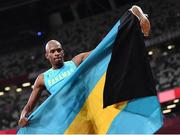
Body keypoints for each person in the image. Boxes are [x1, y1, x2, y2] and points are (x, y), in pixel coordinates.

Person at [18, 5, 151, 127]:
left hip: (93, 111)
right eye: (52, 51)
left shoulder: (76, 62)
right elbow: (29, 106)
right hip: (74, 122)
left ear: (63, 52)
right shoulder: (42, 79)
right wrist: (23, 116)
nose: (57, 53)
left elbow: (103, 48)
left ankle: (134, 13)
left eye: (59, 50)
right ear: (47, 56)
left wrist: (133, 23)